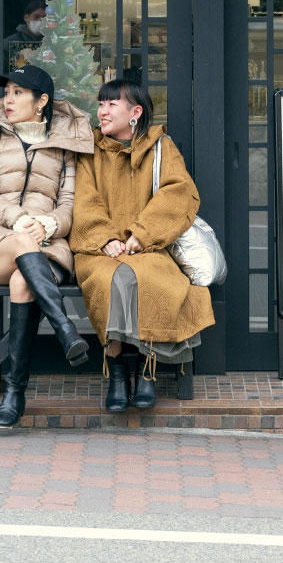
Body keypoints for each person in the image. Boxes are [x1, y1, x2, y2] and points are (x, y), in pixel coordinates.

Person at [70, 79, 214, 414]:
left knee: (151, 280)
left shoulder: (161, 147)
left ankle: (146, 369)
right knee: (114, 280)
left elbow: (178, 193)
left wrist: (142, 235)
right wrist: (105, 238)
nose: (102, 111)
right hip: (97, 249)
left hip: (149, 247)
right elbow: (83, 200)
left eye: (111, 104)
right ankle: (116, 368)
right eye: (100, 104)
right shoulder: (90, 150)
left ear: (135, 112)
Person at [0, 64, 94, 430]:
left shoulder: (65, 146)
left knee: (24, 282)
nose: (8, 99)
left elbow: (71, 204)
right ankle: (63, 326)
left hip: (49, 243)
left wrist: (51, 223)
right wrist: (19, 220)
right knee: (22, 247)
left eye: (18, 93)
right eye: (7, 91)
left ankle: (15, 392)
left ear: (41, 102)